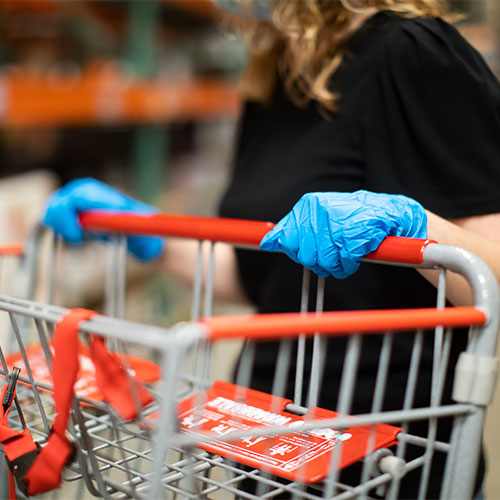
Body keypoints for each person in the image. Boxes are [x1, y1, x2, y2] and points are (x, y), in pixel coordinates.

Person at [42, 1, 500, 498]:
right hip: (266, 442)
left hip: (389, 458)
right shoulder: (276, 76)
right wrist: (144, 230)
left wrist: (409, 224)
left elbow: (493, 274)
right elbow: (257, 276)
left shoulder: (413, 52)